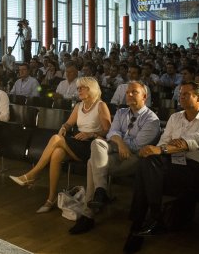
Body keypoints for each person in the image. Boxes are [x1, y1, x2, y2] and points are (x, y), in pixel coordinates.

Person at [123, 82, 199, 253]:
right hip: (169, 163)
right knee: (147, 163)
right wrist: (167, 147)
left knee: (147, 167)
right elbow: (164, 141)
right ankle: (152, 219)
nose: (181, 97)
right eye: (180, 94)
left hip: (193, 168)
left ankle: (137, 225)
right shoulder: (176, 117)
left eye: (186, 94)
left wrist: (170, 147)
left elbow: (191, 142)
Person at [69, 82, 161, 234]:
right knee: (97, 142)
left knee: (93, 163)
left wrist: (119, 141)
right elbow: (111, 133)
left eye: (134, 92)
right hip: (115, 151)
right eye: (127, 92)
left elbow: (138, 146)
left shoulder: (152, 120)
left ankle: (89, 214)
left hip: (135, 158)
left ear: (144, 96)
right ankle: (100, 192)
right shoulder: (121, 112)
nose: (129, 95)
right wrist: (119, 142)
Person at [9, 77, 111, 214]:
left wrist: (90, 134)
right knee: (57, 153)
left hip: (93, 147)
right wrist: (64, 127)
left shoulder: (101, 105)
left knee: (57, 139)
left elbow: (107, 130)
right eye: (78, 88)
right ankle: (50, 199)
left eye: (82, 87)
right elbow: (69, 123)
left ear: (91, 89)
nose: (78, 90)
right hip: (79, 144)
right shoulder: (79, 106)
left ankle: (33, 174)